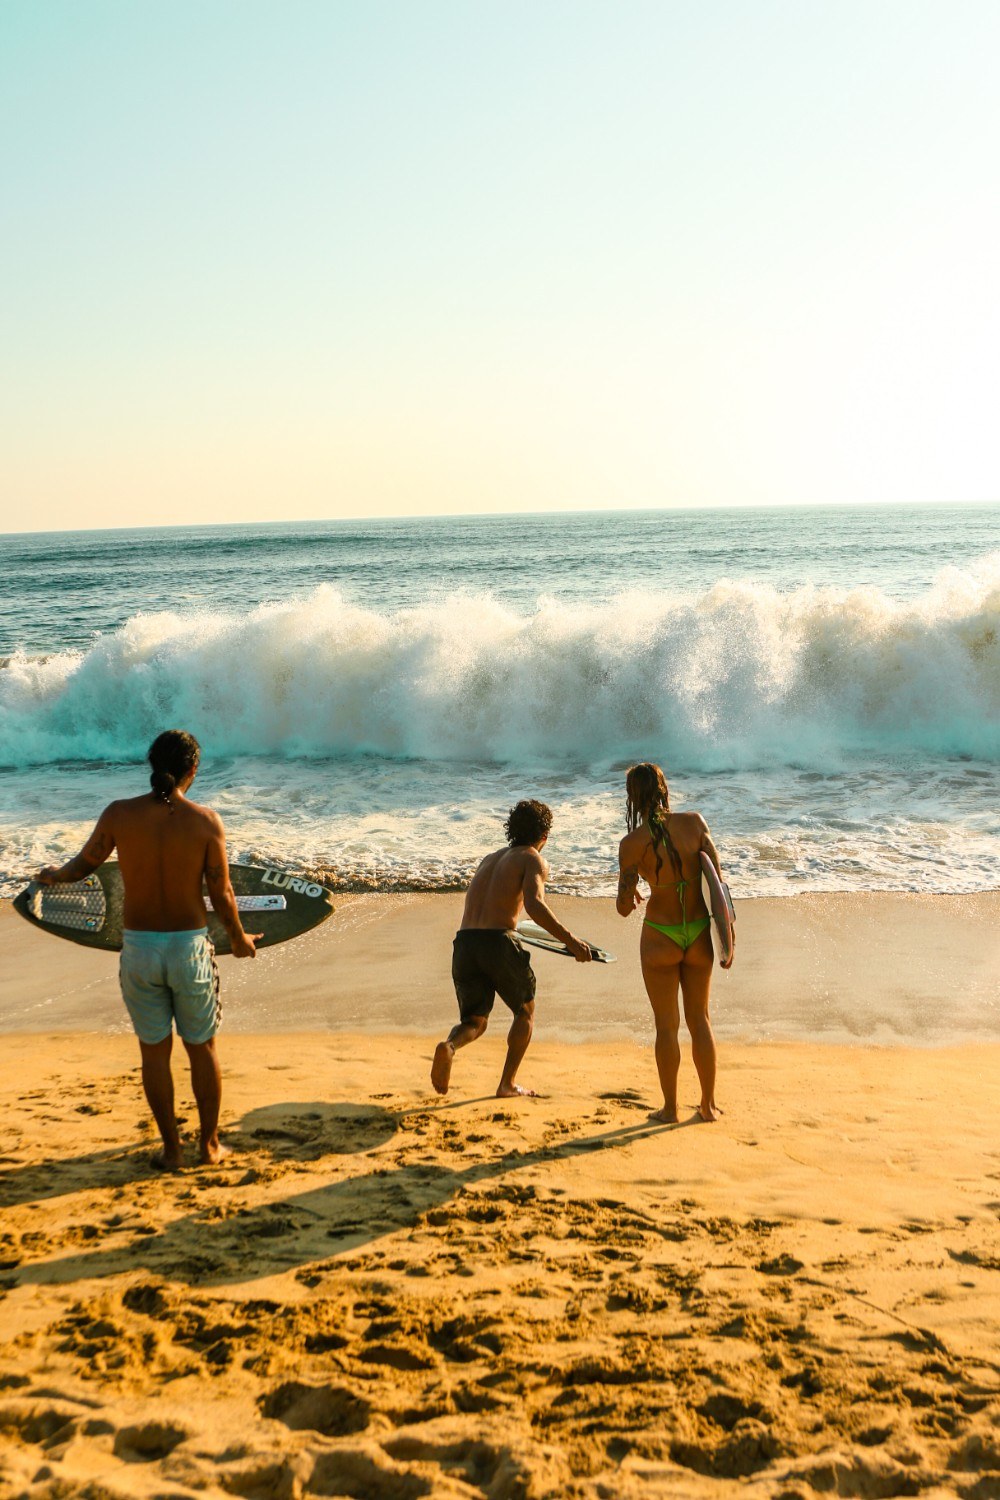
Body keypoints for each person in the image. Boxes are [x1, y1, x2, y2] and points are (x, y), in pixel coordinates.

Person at [35, 730, 260, 1170]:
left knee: (153, 1052)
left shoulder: (119, 815)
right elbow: (222, 893)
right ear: (193, 770)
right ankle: (209, 1146)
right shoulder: (205, 822)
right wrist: (238, 939)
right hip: (188, 949)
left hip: (138, 950)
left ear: (152, 763)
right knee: (202, 1048)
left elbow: (84, 865)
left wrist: (54, 876)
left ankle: (172, 1151)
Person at [432, 799, 592, 1099]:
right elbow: (534, 904)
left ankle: (450, 1046)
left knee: (474, 1021)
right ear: (544, 835)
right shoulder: (533, 858)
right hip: (498, 941)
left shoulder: (489, 858)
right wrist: (570, 940)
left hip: (465, 942)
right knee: (525, 1012)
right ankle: (506, 1084)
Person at [616, 762, 731, 1123]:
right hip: (697, 933)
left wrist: (632, 893)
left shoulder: (631, 845)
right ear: (664, 789)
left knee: (666, 1024)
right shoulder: (695, 824)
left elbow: (622, 908)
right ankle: (708, 1105)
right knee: (701, 1020)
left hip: (659, 936)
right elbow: (718, 886)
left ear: (633, 797)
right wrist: (729, 939)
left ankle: (670, 1109)